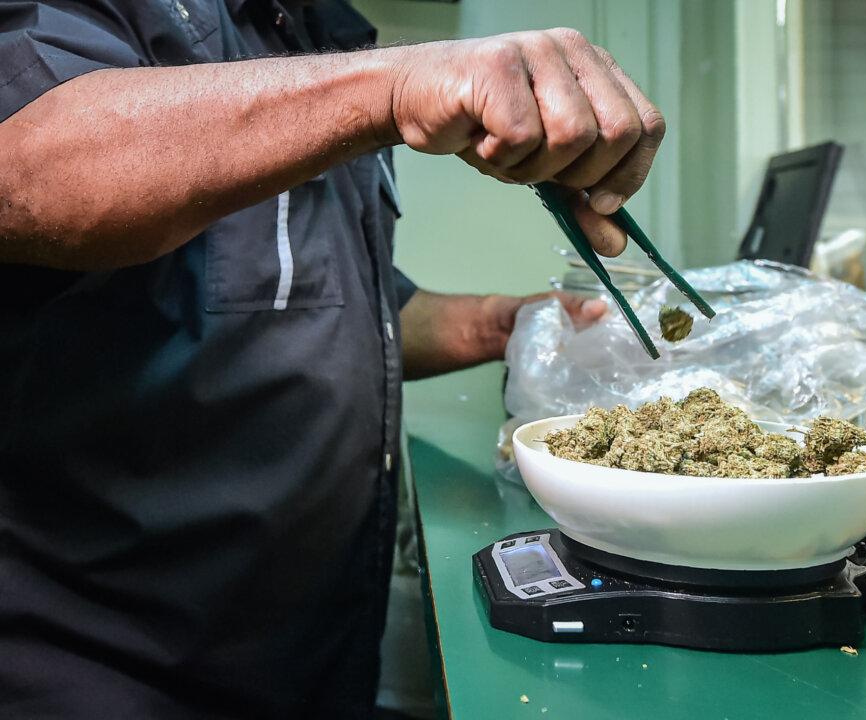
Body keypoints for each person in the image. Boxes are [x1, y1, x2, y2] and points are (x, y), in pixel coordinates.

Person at [0, 0, 664, 717]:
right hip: (110, 665)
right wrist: (397, 85)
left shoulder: (322, 31)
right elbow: (27, 168)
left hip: (308, 654)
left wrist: (504, 326)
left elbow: (326, 304)